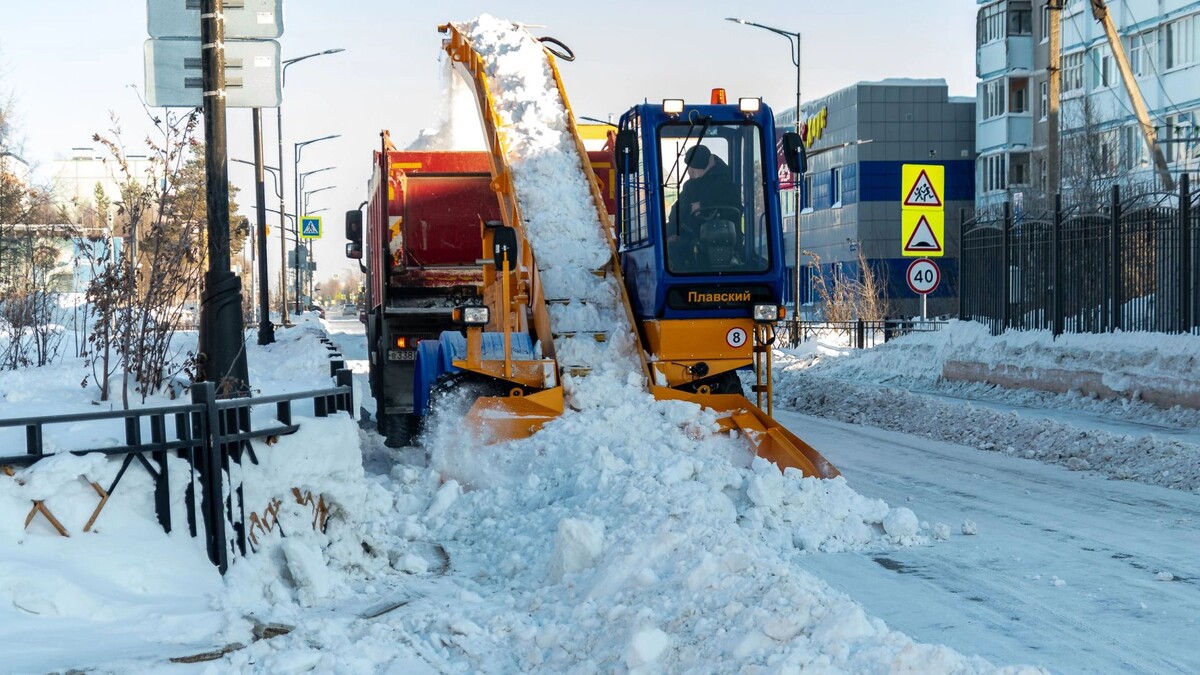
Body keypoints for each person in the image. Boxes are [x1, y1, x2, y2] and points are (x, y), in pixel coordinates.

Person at [667, 144, 742, 270]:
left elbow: (734, 209)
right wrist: (671, 233)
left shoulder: (727, 184)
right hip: (694, 237)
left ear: (703, 165)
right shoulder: (690, 186)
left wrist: (704, 206)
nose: (689, 172)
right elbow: (677, 211)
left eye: (692, 168)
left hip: (714, 239)